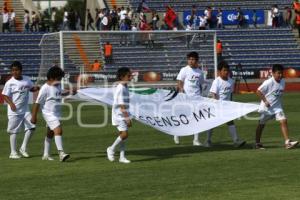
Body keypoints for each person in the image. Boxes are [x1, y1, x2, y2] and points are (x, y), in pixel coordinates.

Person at [31, 66, 72, 161]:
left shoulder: (57, 86)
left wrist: (70, 92)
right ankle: (61, 153)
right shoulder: (45, 88)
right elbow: (37, 103)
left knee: (50, 133)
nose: (60, 81)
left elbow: (60, 94)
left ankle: (45, 155)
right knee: (58, 130)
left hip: (57, 113)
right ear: (51, 77)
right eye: (58, 79)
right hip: (49, 113)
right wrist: (34, 116)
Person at [255, 64, 299, 149]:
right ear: (273, 73)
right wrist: (265, 101)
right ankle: (257, 143)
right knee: (261, 125)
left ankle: (287, 142)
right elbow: (258, 91)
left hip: (277, 108)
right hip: (267, 108)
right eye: (278, 73)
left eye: (281, 73)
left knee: (284, 120)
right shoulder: (268, 82)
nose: (280, 75)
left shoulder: (282, 81)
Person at [2, 61, 40, 159]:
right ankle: (13, 153)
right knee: (13, 131)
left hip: (25, 109)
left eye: (17, 70)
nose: (15, 72)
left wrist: (35, 88)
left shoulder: (27, 79)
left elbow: (30, 88)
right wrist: (11, 104)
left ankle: (23, 148)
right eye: (13, 70)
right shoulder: (9, 83)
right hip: (14, 111)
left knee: (32, 127)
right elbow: (4, 95)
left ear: (21, 70)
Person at [204, 61, 246, 148]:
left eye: (227, 70)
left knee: (230, 122)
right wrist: (217, 104)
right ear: (219, 71)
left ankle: (236, 141)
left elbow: (230, 94)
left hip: (226, 107)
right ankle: (207, 141)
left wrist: (230, 105)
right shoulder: (217, 81)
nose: (226, 72)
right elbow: (213, 94)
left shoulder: (231, 81)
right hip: (216, 106)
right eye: (224, 70)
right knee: (212, 123)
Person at [173, 52, 204, 146]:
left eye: (193, 59)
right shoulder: (184, 70)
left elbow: (200, 84)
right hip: (185, 97)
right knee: (182, 117)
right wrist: (181, 90)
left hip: (196, 98)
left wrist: (201, 96)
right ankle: (176, 134)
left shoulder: (200, 72)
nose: (191, 61)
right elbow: (179, 81)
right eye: (189, 59)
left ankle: (196, 140)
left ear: (197, 60)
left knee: (197, 118)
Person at [107, 67, 132, 164]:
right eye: (128, 76)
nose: (130, 77)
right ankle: (111, 149)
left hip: (122, 113)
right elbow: (121, 105)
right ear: (122, 77)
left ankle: (122, 157)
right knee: (124, 135)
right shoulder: (121, 88)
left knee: (122, 135)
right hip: (119, 115)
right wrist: (127, 117)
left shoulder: (125, 86)